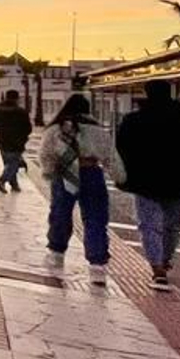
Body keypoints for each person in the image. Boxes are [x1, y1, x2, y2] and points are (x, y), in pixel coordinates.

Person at [116, 80, 180, 291]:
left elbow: (121, 149)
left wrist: (129, 176)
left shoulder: (133, 121)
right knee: (172, 225)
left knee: (149, 224)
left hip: (144, 182)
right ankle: (165, 259)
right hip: (179, 184)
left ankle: (157, 266)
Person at [39, 95, 124, 285]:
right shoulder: (97, 130)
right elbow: (110, 156)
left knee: (60, 213)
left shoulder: (56, 129)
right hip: (92, 172)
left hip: (64, 173)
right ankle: (97, 264)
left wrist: (48, 172)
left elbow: (45, 153)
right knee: (95, 217)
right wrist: (120, 177)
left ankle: (56, 252)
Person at [0, 90, 33, 192]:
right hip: (17, 141)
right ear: (17, 99)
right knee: (13, 163)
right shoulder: (21, 112)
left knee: (8, 163)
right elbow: (28, 128)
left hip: (2, 139)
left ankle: (14, 184)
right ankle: (2, 180)